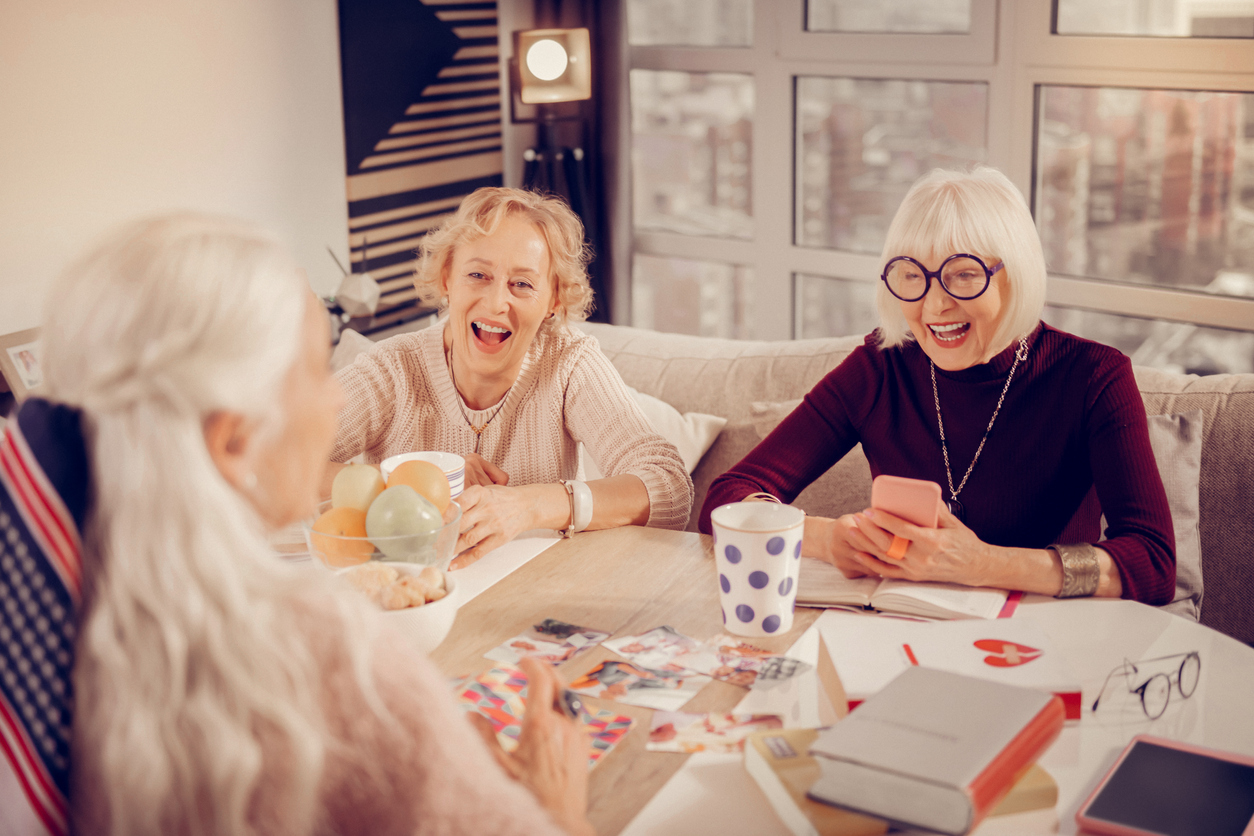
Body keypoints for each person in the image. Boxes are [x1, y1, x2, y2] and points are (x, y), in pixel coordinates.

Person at [16, 214, 593, 835]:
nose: (337, 398)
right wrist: (554, 807)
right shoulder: (331, 657)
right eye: (318, 371)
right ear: (236, 441)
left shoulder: (33, 600)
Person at [700, 167, 1176, 604]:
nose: (934, 306)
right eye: (913, 276)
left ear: (1016, 274)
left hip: (1034, 641)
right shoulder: (880, 368)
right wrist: (823, 538)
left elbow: (1153, 564)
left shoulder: (1094, 376)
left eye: (963, 275)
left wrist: (983, 564)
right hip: (897, 630)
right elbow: (726, 498)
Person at [330, 187, 693, 567]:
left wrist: (530, 505)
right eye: (477, 275)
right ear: (446, 281)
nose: (495, 303)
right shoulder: (393, 368)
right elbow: (276, 463)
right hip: (414, 597)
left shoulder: (568, 363)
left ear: (553, 300)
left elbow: (669, 489)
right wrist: (418, 480)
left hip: (534, 600)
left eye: (522, 284)